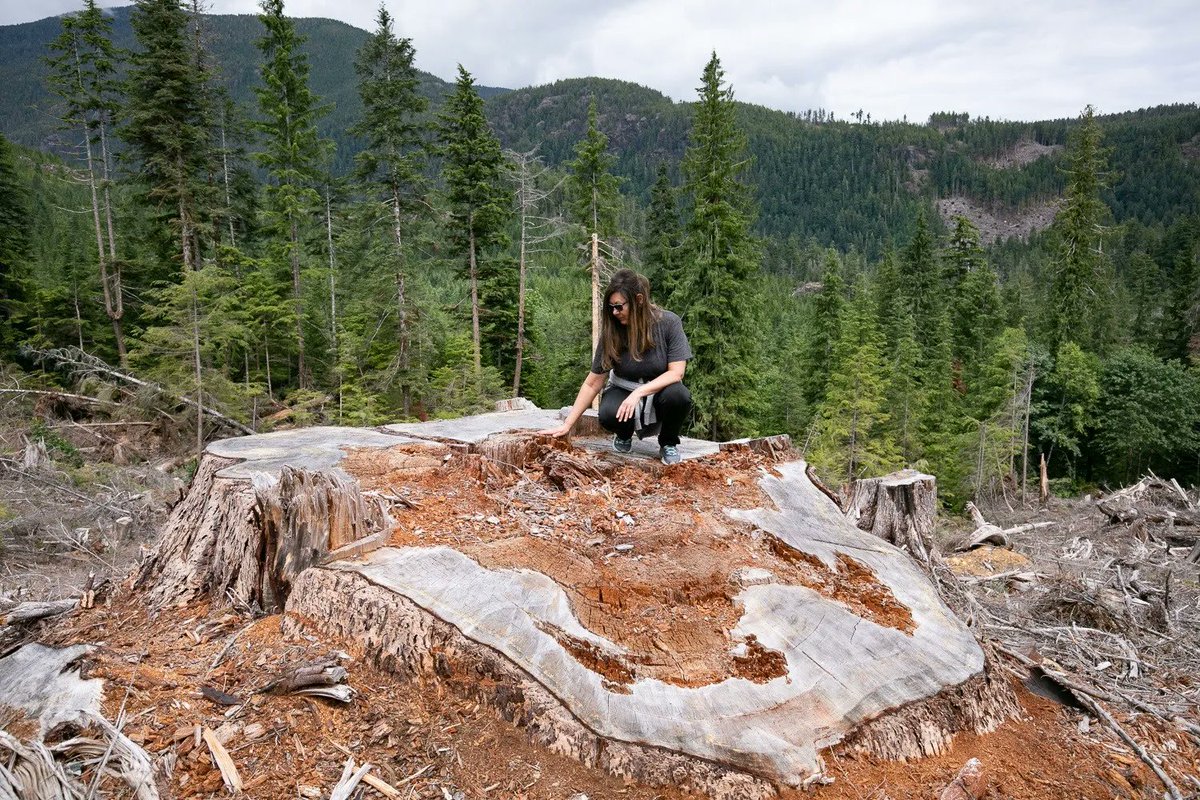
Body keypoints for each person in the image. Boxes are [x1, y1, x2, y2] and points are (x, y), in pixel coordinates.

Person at [538, 269, 693, 465]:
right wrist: (567, 424)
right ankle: (624, 433)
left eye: (619, 306)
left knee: (679, 396)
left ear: (639, 300)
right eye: (611, 307)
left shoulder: (669, 323)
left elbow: (676, 373)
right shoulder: (613, 331)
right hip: (623, 388)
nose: (614, 313)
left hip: (660, 390)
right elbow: (593, 383)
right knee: (608, 414)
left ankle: (668, 442)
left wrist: (639, 393)